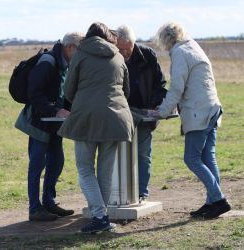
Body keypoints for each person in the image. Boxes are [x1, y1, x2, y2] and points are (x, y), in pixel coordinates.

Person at [58, 22, 134, 233]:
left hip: (86, 118)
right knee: (105, 171)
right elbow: (126, 90)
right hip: (116, 119)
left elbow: (68, 89)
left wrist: (83, 102)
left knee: (84, 169)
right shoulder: (118, 56)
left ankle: (99, 216)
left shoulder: (80, 55)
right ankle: (102, 216)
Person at [151, 21, 231, 219]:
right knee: (207, 157)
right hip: (212, 108)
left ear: (166, 40)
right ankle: (212, 202)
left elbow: (177, 87)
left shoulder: (179, 53)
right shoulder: (193, 46)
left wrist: (162, 111)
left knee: (192, 158)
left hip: (198, 111)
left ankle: (219, 199)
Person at [15, 32, 84, 221]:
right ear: (70, 47)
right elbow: (34, 94)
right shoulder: (47, 62)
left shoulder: (65, 63)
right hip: (39, 122)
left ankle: (49, 202)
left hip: (54, 123)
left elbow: (63, 93)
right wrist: (55, 111)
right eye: (80, 50)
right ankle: (34, 209)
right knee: (37, 164)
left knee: (57, 161)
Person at [116, 25, 167, 201]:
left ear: (133, 43)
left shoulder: (148, 55)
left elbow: (160, 84)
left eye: (127, 48)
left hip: (145, 114)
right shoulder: (111, 57)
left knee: (143, 154)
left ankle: (141, 193)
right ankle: (119, 194)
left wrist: (156, 106)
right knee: (118, 155)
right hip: (119, 115)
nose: (124, 53)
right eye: (120, 49)